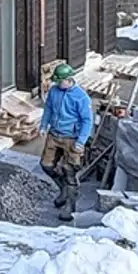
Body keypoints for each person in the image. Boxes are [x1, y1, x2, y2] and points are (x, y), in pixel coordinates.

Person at [40, 63, 94, 222]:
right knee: (46, 165)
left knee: (69, 171)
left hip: (72, 138)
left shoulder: (81, 97)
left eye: (60, 81)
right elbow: (48, 109)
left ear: (69, 80)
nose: (58, 84)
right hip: (54, 134)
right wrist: (43, 125)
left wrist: (81, 141)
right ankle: (63, 188)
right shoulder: (54, 91)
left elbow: (87, 121)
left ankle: (70, 205)